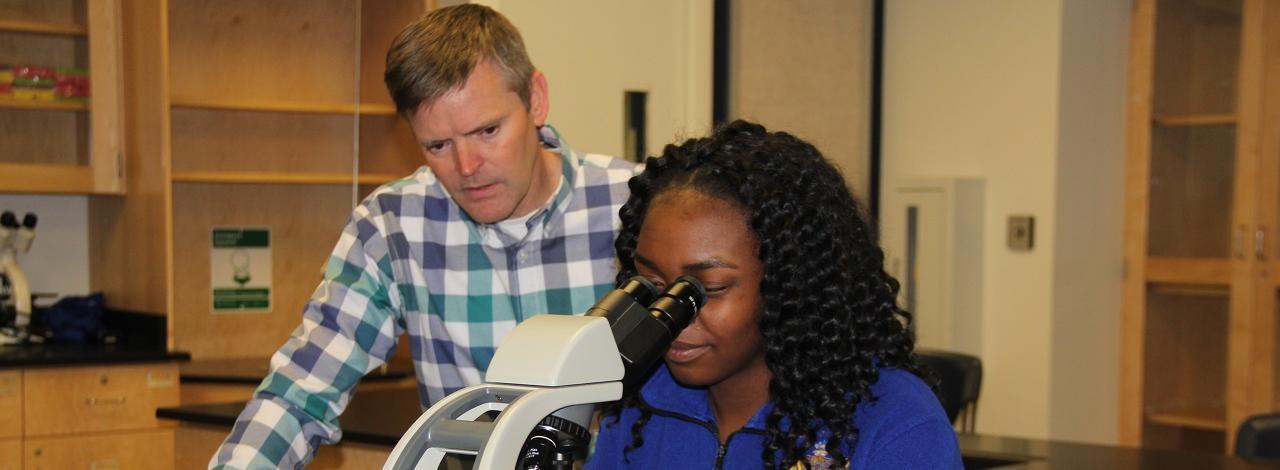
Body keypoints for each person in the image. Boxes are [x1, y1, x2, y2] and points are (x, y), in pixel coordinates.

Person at [211, 5, 638, 467]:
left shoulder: (634, 205)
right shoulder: (394, 225)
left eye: (488, 131)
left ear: (535, 98)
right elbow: (298, 397)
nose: (467, 167)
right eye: (438, 145)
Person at [587, 120, 962, 469]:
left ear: (790, 283)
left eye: (710, 289)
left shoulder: (894, 424)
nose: (671, 317)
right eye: (652, 283)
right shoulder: (643, 405)